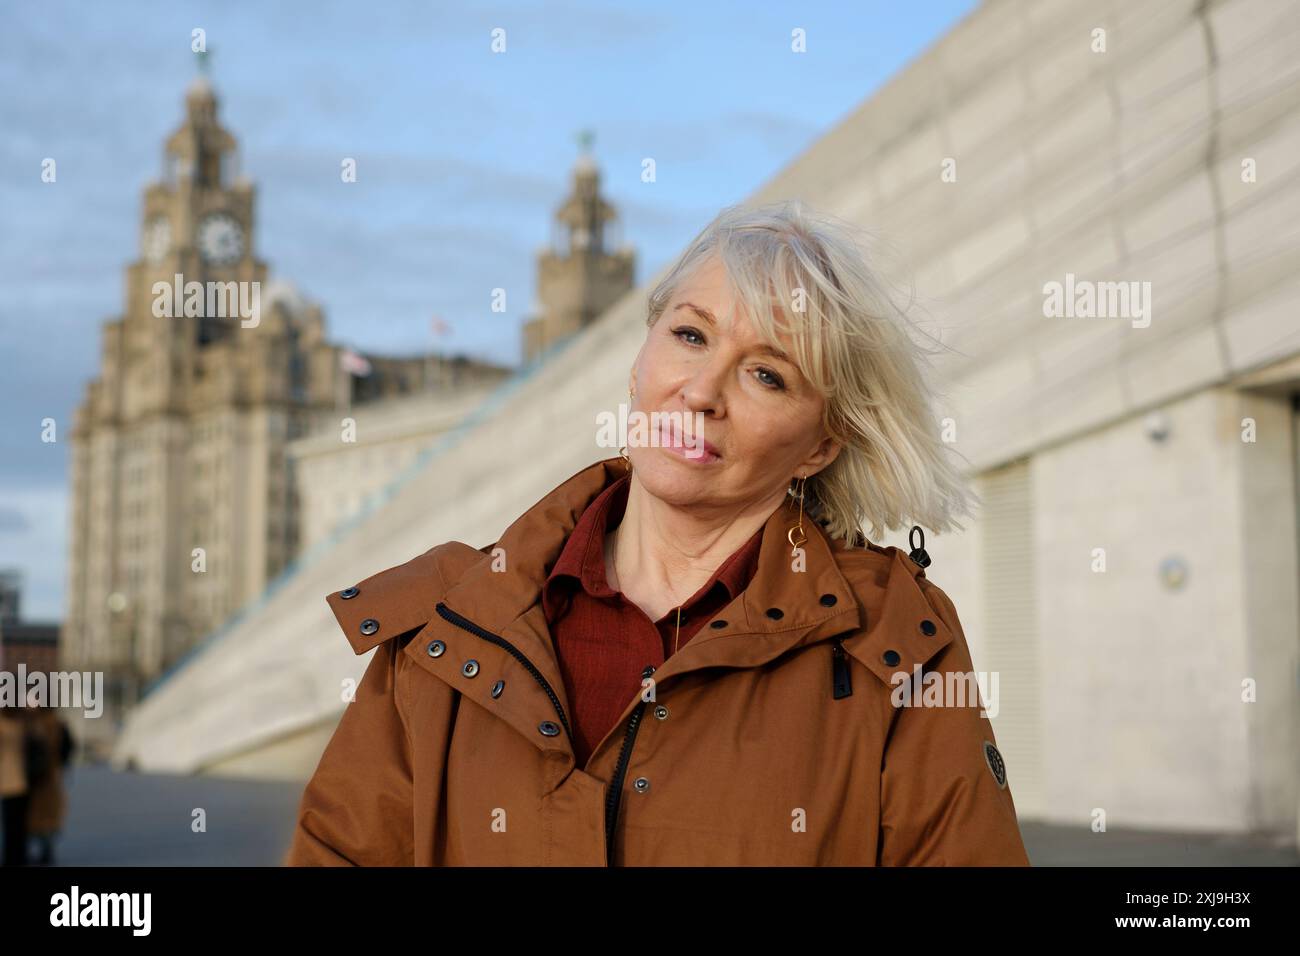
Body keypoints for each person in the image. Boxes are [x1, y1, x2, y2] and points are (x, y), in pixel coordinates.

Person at [285, 200, 1032, 866]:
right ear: (642, 355)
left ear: (819, 445)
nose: (702, 391)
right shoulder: (448, 624)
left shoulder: (897, 644)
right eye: (690, 335)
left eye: (767, 375)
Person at [25, 704, 72, 865]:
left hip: (37, 778)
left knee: (34, 815)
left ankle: (38, 850)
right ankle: (46, 850)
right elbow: (67, 749)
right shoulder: (57, 724)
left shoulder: (34, 724)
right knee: (49, 816)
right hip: (51, 776)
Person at [0, 702, 29, 866]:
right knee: (20, 823)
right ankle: (19, 855)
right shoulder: (22, 725)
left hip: (7, 781)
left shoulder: (3, 726)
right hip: (24, 780)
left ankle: (10, 857)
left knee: (9, 823)